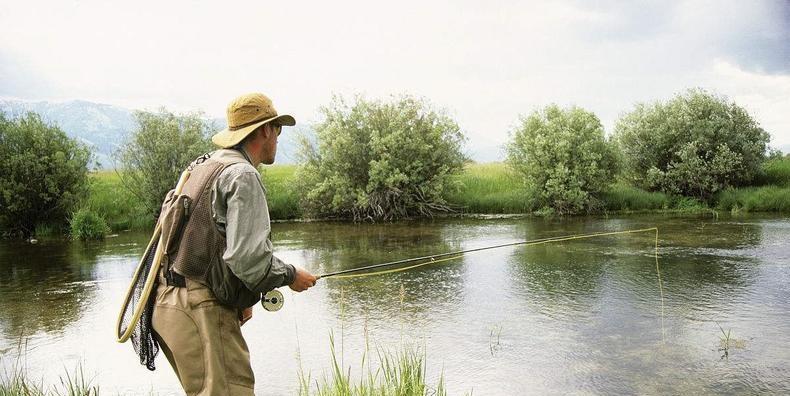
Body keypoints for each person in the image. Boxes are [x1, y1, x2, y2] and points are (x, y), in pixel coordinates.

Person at [151, 92, 317, 395]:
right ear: (265, 129)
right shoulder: (242, 175)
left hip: (168, 305)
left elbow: (198, 242)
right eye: (278, 129)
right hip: (200, 308)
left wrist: (239, 299)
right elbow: (248, 262)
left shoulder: (204, 165)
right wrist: (292, 275)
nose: (278, 137)